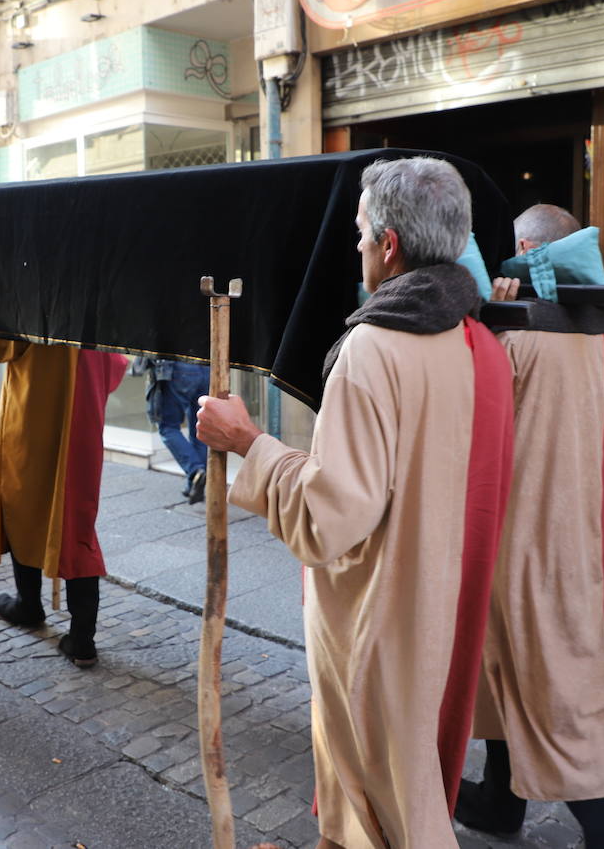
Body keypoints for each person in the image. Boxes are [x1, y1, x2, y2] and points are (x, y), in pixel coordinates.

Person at [196, 157, 514, 849]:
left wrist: (249, 442)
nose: (358, 247)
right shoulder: (481, 341)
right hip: (449, 608)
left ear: (390, 245)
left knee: (388, 809)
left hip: (382, 622)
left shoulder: (373, 348)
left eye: (361, 233)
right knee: (404, 792)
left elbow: (331, 517)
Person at [456, 204, 604, 848]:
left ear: (522, 249)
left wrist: (483, 324)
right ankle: (500, 800)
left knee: (558, 689)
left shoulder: (508, 339)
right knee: (506, 670)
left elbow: (467, 430)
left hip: (520, 545)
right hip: (586, 544)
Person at [0, 336, 127, 668]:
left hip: (32, 420)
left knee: (22, 510)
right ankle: (80, 636)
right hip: (82, 422)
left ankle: (30, 606)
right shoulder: (93, 299)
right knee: (76, 520)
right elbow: (116, 367)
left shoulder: (28, 294)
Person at [144, 358, 210, 503]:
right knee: (199, 428)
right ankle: (193, 484)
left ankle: (195, 471)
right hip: (206, 367)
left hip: (179, 365)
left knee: (167, 427)